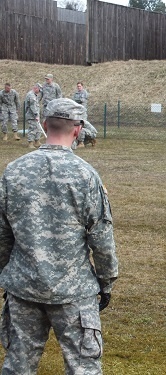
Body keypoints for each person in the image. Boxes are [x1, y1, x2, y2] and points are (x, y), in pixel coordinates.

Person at [0, 98, 118, 374]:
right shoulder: (86, 176)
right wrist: (106, 280)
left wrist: (6, 270)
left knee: (17, 366)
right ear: (77, 130)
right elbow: (101, 237)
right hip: (73, 291)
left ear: (44, 125)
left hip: (23, 287)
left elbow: (2, 234)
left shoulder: (13, 172)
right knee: (83, 368)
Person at [24, 83, 43, 149]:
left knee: (38, 128)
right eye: (39, 90)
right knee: (32, 129)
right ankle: (30, 143)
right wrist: (36, 115)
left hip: (35, 115)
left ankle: (37, 141)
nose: (39, 92)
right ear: (36, 88)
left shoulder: (35, 95)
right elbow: (33, 106)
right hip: (31, 116)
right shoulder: (31, 95)